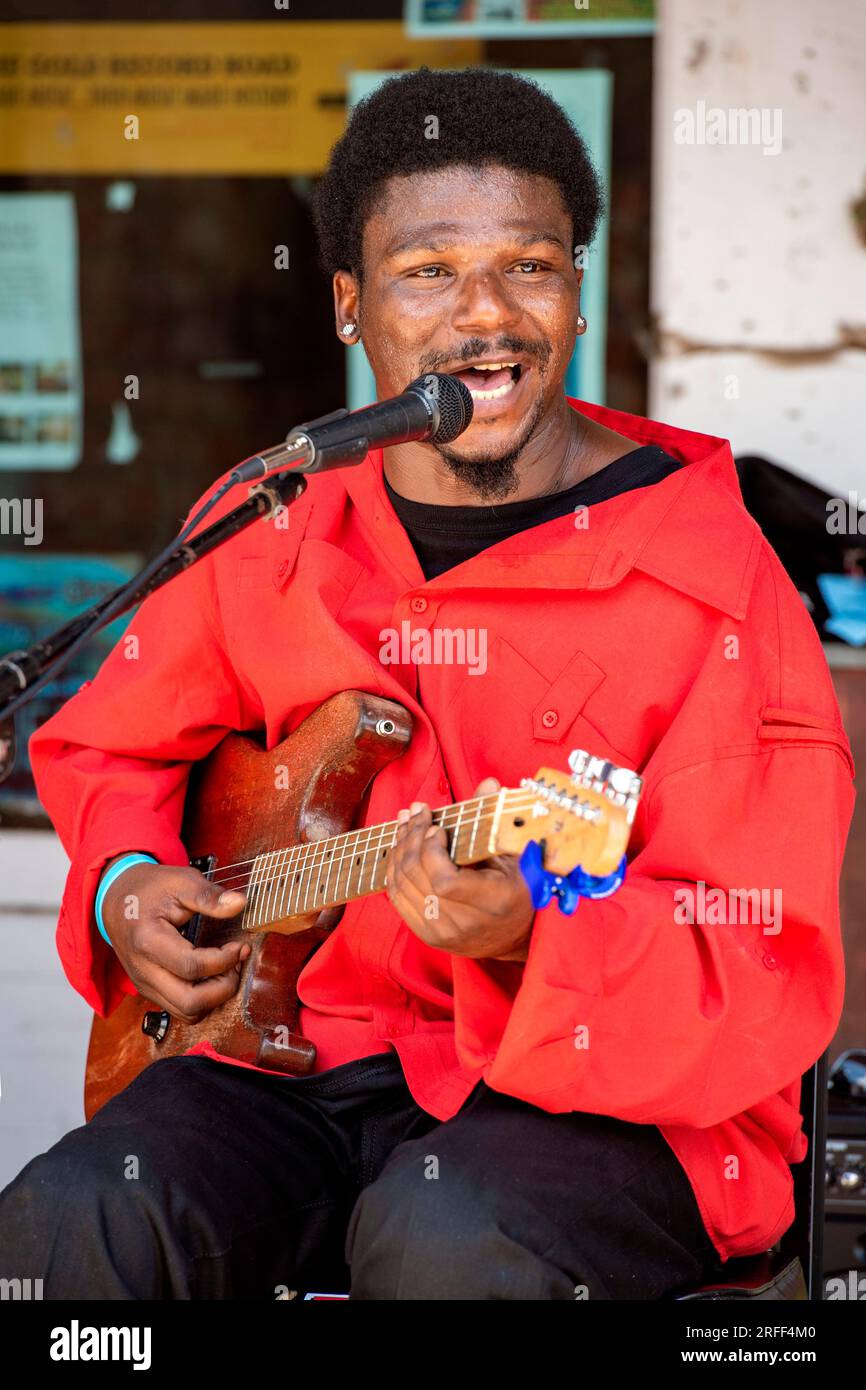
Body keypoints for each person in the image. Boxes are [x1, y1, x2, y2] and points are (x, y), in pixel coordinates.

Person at [0, 67, 854, 1301]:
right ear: (348, 304)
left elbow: (761, 968)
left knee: (445, 1241)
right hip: (296, 1058)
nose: (485, 316)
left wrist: (540, 935)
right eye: (427, 271)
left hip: (605, 1098)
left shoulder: (712, 582)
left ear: (576, 289)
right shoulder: (269, 517)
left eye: (529, 264)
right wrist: (127, 887)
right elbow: (111, 749)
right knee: (77, 1218)